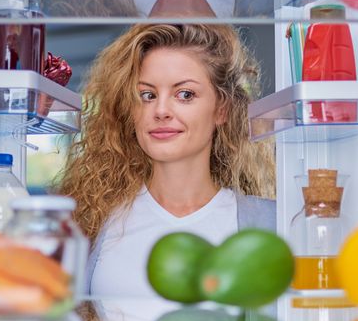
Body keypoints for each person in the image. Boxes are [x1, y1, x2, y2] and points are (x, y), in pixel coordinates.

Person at [58, 24, 276, 297]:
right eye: (147, 95)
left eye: (185, 94)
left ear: (222, 109)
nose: (160, 111)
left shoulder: (272, 222)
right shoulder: (90, 221)